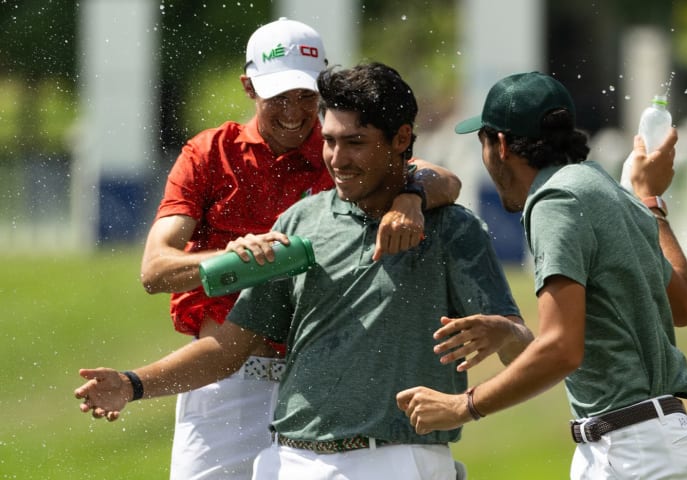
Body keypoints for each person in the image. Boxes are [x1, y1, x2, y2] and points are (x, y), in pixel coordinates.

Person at [76, 62, 533, 480]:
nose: (336, 158)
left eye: (355, 142)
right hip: (292, 460)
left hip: (398, 458)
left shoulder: (452, 229)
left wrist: (505, 337)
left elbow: (526, 351)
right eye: (330, 141)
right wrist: (133, 385)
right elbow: (228, 350)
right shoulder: (299, 222)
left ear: (400, 140)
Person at [138, 18, 462, 479]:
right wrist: (236, 258)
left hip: (323, 382)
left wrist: (411, 195)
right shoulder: (210, 153)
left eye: (307, 96)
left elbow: (445, 179)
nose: (294, 112)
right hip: (223, 383)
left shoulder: (339, 149)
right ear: (249, 87)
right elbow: (155, 269)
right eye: (279, 98)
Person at [397, 72, 687, 479]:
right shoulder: (609, 189)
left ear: (502, 145)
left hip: (634, 451)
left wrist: (463, 406)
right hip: (649, 441)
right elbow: (682, 305)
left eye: (483, 143)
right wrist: (649, 199)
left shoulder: (554, 200)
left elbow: (563, 349)